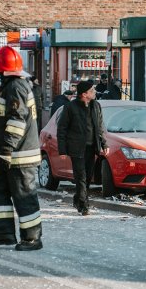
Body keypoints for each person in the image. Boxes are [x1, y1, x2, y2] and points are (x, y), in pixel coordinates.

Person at [0, 46, 43, 251]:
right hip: (5, 153)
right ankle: (3, 233)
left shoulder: (16, 86)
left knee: (24, 195)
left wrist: (7, 150)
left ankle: (32, 238)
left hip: (18, 155)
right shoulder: (10, 85)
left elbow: (17, 121)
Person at [57, 80, 108, 215]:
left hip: (92, 147)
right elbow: (62, 129)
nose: (95, 92)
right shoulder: (71, 107)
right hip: (76, 147)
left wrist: (104, 143)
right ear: (84, 94)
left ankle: (77, 198)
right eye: (92, 90)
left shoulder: (96, 106)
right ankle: (83, 205)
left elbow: (100, 127)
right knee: (81, 176)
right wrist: (62, 150)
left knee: (88, 176)